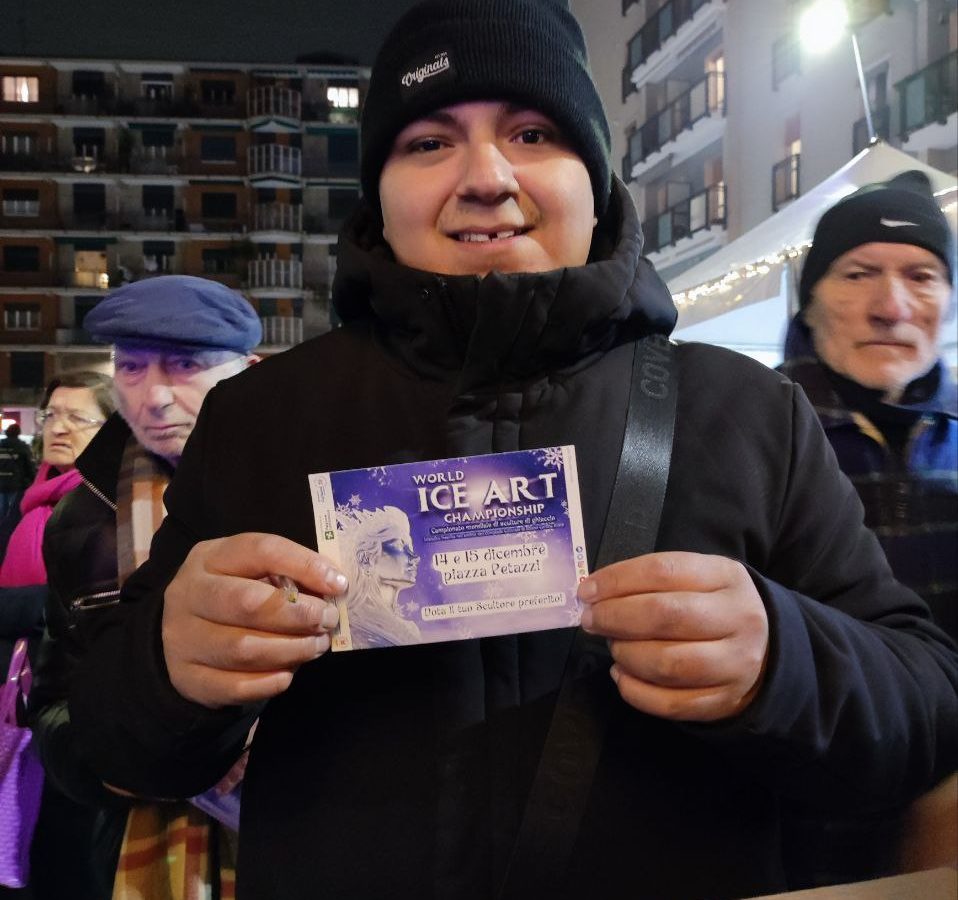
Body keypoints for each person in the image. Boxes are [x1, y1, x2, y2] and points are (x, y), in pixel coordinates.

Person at [66, 3, 956, 899]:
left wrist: (782, 659)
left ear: (596, 176)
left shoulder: (749, 411)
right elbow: (106, 736)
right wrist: (169, 667)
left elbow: (925, 708)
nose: (485, 176)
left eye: (532, 133)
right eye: (428, 142)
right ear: (377, 186)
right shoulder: (261, 418)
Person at [27, 275, 261, 900]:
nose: (154, 396)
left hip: (330, 818)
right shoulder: (82, 521)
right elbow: (54, 700)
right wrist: (118, 766)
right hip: (150, 838)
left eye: (185, 365)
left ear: (249, 371)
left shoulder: (319, 486)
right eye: (131, 368)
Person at [779, 172, 957, 887]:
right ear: (812, 296)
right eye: (859, 274)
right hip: (795, 837)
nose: (892, 307)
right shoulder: (746, 439)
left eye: (922, 275)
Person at [0, 371, 113, 900]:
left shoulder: (108, 505)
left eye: (78, 417)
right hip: (15, 705)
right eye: (51, 415)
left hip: (76, 708)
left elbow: (72, 608)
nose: (58, 428)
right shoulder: (27, 505)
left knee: (71, 854)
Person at [339, 505, 422, 648]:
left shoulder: (408, 628)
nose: (415, 557)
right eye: (400, 546)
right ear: (366, 559)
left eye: (411, 548)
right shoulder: (354, 627)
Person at [0, 423, 35, 523]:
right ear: (18, 433)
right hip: (16, 483)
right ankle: (11, 531)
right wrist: (33, 480)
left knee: (2, 508)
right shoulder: (22, 447)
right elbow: (29, 466)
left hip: (1, 482)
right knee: (14, 510)